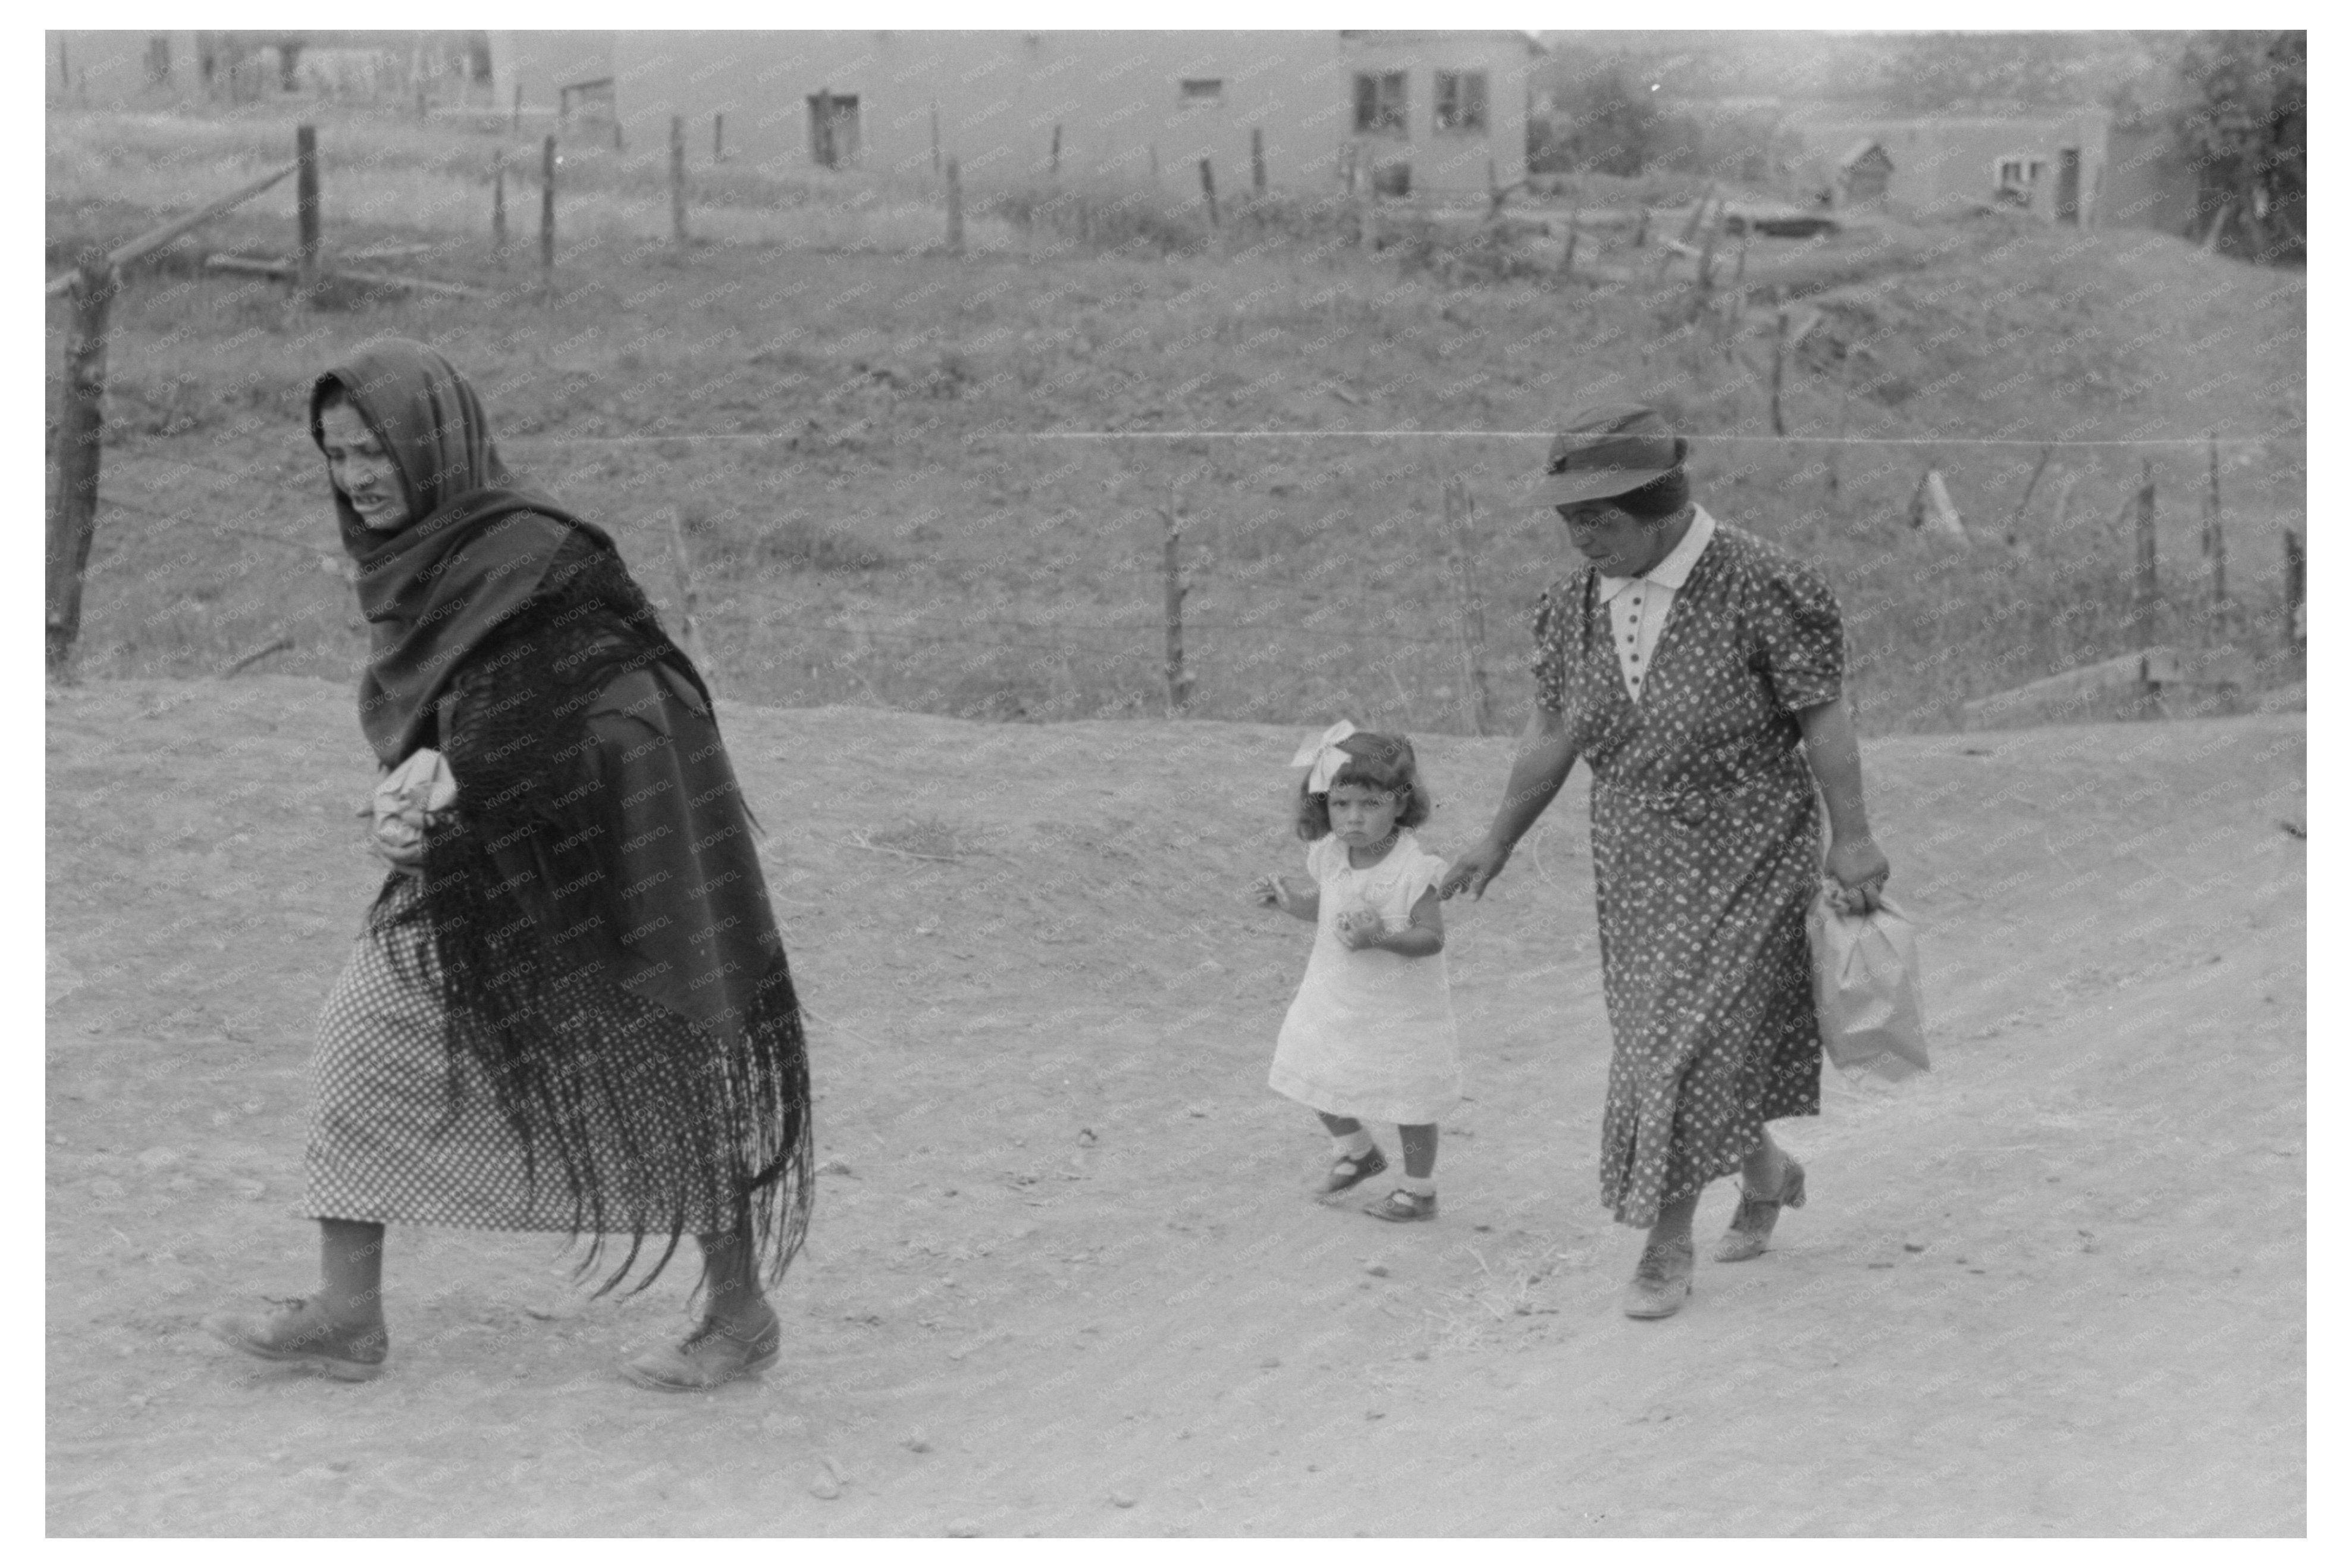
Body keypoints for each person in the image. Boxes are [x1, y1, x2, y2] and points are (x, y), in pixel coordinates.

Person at [203, 338, 814, 1390]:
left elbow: (578, 690)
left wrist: (458, 771)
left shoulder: (537, 550)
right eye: (336, 453)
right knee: (366, 1024)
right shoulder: (410, 562)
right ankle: (348, 1314)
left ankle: (739, 1315)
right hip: (488, 832)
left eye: (376, 451)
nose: (356, 477)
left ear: (435, 442)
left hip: (619, 830)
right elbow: (451, 705)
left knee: (657, 1056)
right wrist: (414, 793)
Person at [1438, 406, 1889, 1319]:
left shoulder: (1766, 583)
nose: (1581, 541)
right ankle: (1762, 1169)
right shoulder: (1570, 606)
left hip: (1750, 836)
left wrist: (1852, 836)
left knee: (1688, 1037)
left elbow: (1821, 717)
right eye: (1568, 523)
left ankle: (1664, 1242)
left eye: (1597, 521)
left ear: (1661, 505)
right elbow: (1553, 729)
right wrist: (1497, 837)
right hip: (1634, 845)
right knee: (1659, 1041)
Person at [1252, 723, 1462, 1223]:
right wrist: (1288, 904)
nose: (1353, 818)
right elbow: (1325, 908)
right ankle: (1356, 1150)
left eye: (1370, 805)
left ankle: (1419, 1191)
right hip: (1336, 995)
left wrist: (1381, 938)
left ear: (1401, 803)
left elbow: (1431, 938)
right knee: (1311, 1063)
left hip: (1400, 1008)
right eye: (1340, 804)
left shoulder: (1416, 868)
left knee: (1410, 1095)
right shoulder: (1331, 855)